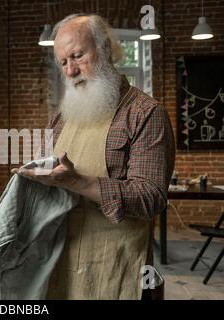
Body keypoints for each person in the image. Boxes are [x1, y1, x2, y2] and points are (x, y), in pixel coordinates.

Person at [12, 14, 175, 299]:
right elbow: (43, 174)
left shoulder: (146, 113)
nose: (71, 71)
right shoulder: (61, 118)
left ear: (106, 50)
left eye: (77, 56)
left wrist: (77, 182)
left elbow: (151, 198)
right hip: (58, 257)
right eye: (63, 63)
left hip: (115, 262)